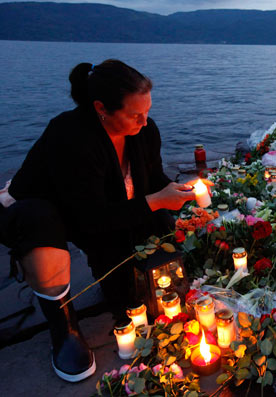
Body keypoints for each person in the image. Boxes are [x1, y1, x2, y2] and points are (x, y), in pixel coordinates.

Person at [0, 60, 195, 382]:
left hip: (103, 212)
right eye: (135, 115)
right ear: (101, 108)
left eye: (147, 111)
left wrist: (180, 205)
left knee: (158, 271)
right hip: (42, 211)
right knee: (115, 289)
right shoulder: (70, 137)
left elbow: (154, 182)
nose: (144, 122)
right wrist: (157, 201)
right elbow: (91, 220)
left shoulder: (144, 131)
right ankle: (62, 326)